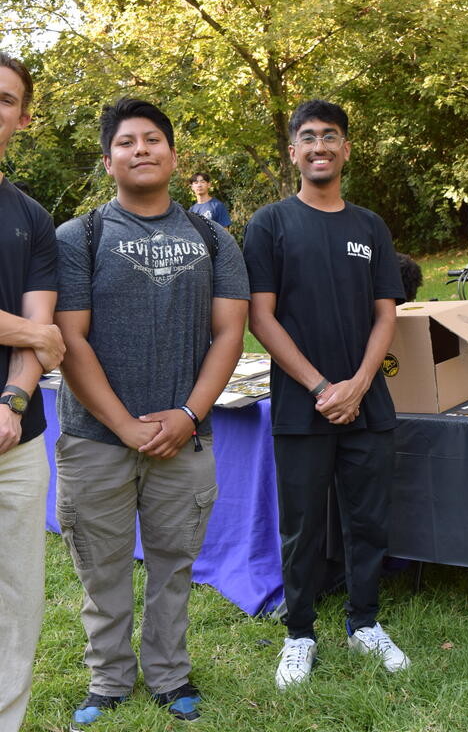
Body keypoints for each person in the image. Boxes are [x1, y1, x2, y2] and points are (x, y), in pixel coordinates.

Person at [54, 98, 249, 728]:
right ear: (107, 159)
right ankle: (107, 678)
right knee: (102, 564)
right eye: (127, 142)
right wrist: (124, 425)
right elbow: (71, 339)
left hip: (184, 437)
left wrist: (190, 415)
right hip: (96, 438)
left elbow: (229, 334)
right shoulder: (77, 237)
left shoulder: (214, 239)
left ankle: (169, 674)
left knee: (174, 564)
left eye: (154, 140)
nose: (142, 150)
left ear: (173, 154)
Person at [244, 99, 410, 690]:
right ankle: (299, 634)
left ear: (345, 149)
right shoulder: (270, 224)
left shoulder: (370, 226)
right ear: (293, 152)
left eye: (331, 136)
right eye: (308, 137)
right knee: (303, 527)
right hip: (301, 406)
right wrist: (321, 387)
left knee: (367, 520)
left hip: (368, 403)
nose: (320, 145)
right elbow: (260, 318)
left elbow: (386, 315)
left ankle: (364, 622)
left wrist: (360, 384)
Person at [0, 52, 65, 732]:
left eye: (6, 98)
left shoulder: (32, 217)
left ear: (22, 116)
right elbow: (41, 333)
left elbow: (43, 334)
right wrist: (32, 335)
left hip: (14, 438)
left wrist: (13, 403)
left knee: (16, 599)